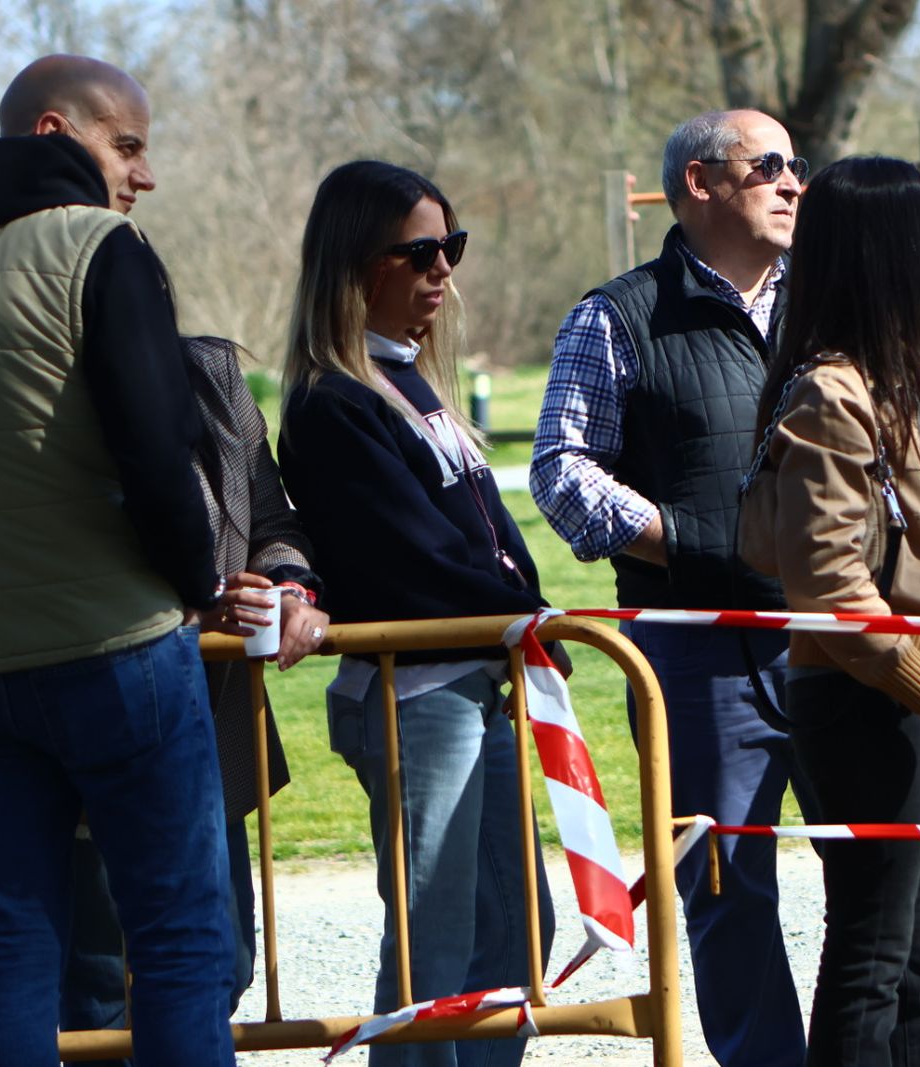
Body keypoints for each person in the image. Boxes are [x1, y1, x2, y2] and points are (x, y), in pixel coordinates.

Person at [0, 55, 238, 1066]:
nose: (145, 174)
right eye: (128, 145)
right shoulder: (99, 247)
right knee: (180, 942)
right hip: (120, 651)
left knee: (11, 944)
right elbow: (157, 452)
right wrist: (198, 586)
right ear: (56, 134)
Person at [530, 109, 816, 1066]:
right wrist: (690, 543)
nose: (793, 182)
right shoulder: (616, 315)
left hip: (837, 636)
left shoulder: (825, 303)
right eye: (769, 165)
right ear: (700, 182)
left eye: (797, 165)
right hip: (698, 656)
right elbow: (562, 471)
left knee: (882, 864)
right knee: (728, 886)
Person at [740, 156, 920, 1065]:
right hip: (869, 698)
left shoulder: (895, 380)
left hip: (916, 686)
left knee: (914, 959)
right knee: (872, 950)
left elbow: (889, 538)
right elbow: (828, 583)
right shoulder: (831, 393)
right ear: (887, 252)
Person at [277, 160, 553, 1067]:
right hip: (416, 696)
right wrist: (527, 613)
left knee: (520, 924)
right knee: (434, 946)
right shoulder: (331, 401)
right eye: (423, 252)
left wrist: (529, 607)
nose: (444, 271)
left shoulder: (409, 378)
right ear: (360, 263)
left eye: (452, 248)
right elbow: (408, 557)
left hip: (472, 682)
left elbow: (488, 532)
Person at [61, 334, 331, 1061]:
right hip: (95, 723)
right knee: (101, 988)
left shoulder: (211, 372)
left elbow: (273, 522)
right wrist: (190, 611)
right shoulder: (46, 381)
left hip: (205, 732)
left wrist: (288, 589)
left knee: (225, 963)